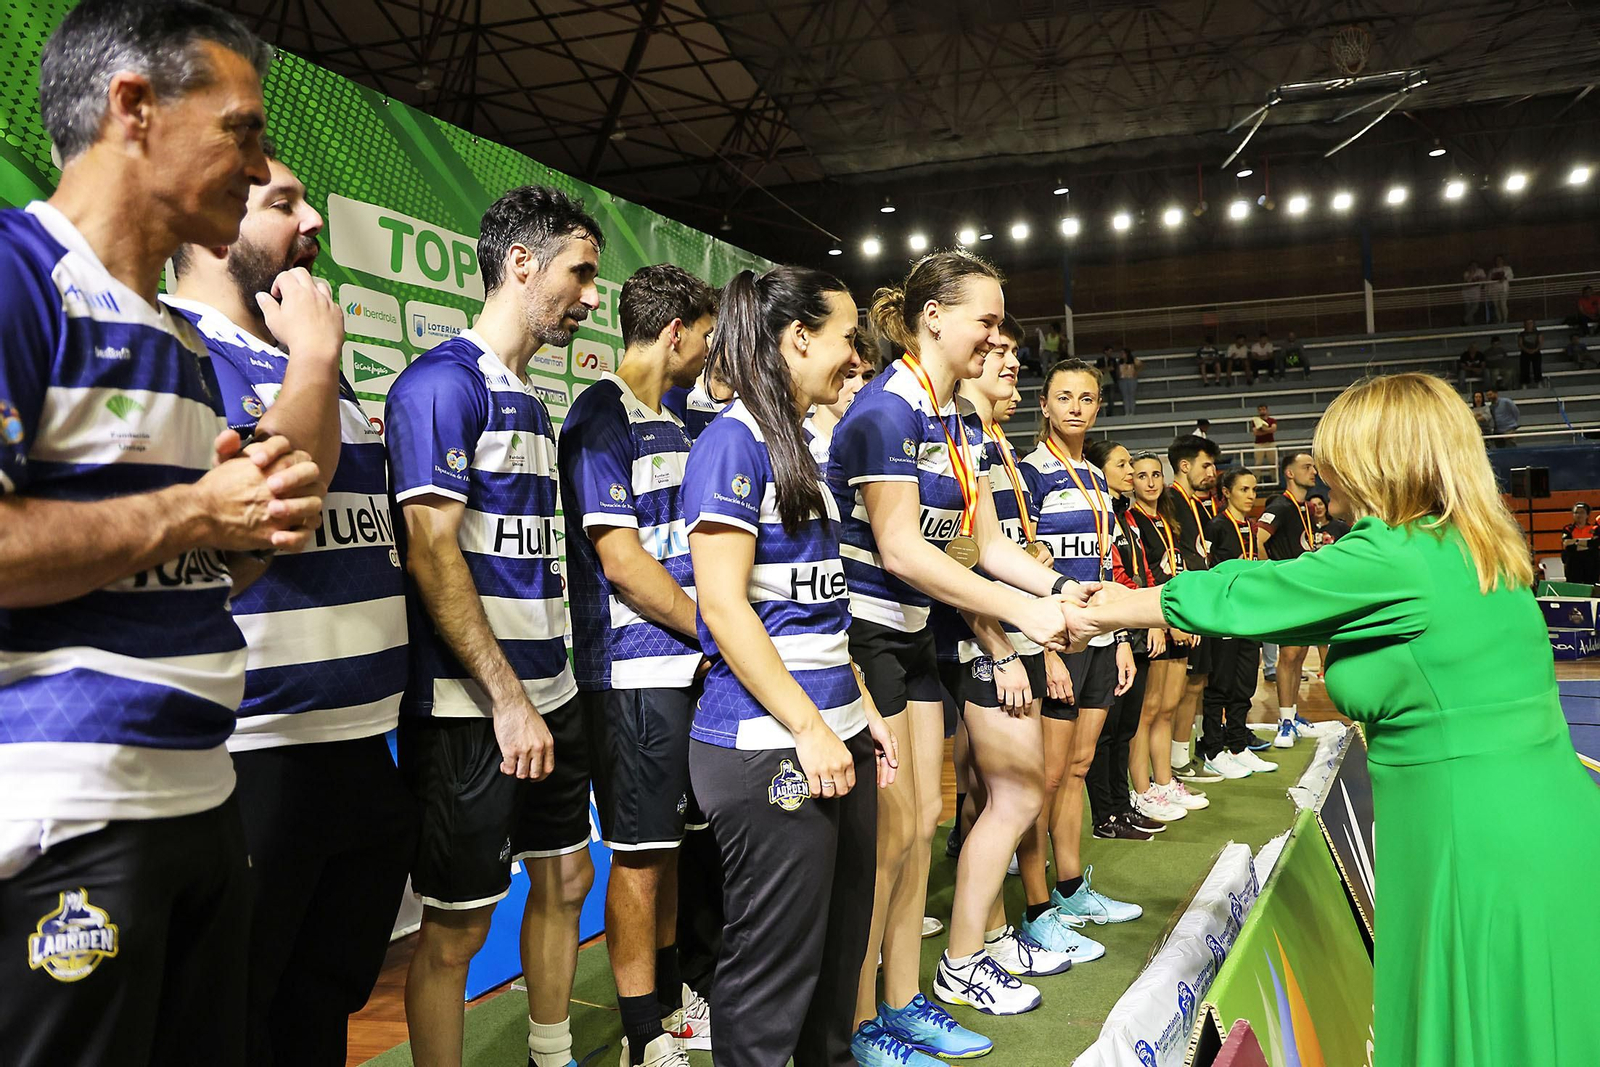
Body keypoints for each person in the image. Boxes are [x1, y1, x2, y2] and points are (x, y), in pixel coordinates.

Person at [1069, 372, 1600, 1067]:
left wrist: (1116, 605)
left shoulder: (1398, 552)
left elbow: (1259, 588)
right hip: (1523, 830)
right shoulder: (1471, 544)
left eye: (1333, 459)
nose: (1324, 480)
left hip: (1476, 847)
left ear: (1378, 461)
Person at [0, 5, 327, 1066]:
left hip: (200, 796)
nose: (260, 164)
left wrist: (248, 523)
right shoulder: (15, 275)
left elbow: (185, 564)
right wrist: (197, 507)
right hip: (71, 819)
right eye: (240, 129)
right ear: (132, 108)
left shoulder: (181, 339)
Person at [167, 142, 415, 1067]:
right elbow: (274, 516)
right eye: (282, 203)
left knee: (321, 1001)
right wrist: (314, 352)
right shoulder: (181, 342)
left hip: (359, 743)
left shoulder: (311, 358)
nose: (312, 224)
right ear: (216, 221)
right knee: (236, 1015)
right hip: (255, 750)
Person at [825, 251, 1085, 1064]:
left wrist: (1061, 590)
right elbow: (901, 548)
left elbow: (986, 542)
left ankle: (903, 1003)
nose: (996, 336)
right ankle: (859, 1022)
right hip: (865, 633)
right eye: (987, 320)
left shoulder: (956, 420)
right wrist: (1026, 614)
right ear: (932, 316)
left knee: (919, 827)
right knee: (887, 841)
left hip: (911, 637)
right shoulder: (884, 411)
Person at [387, 186, 602, 1067]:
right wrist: (508, 700)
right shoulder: (442, 383)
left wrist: (547, 694)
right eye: (580, 272)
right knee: (458, 927)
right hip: (472, 710)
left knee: (567, 876)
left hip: (549, 693)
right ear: (522, 264)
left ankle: (550, 1055)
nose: (592, 296)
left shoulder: (534, 399)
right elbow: (432, 553)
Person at [682, 264, 899, 1067]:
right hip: (768, 742)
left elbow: (817, 604)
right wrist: (810, 725)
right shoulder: (730, 441)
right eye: (847, 337)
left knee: (836, 965)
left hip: (832, 731)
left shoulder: (806, 442)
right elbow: (725, 606)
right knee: (774, 975)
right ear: (798, 337)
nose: (857, 354)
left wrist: (861, 704)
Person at [558, 263, 719, 1067]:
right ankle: (641, 1035)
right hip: (631, 673)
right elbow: (621, 561)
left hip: (687, 668)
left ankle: (669, 998)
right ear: (674, 332)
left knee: (677, 846)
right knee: (640, 852)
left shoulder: (682, 414)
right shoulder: (598, 415)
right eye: (705, 334)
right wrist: (715, 632)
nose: (708, 351)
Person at [932, 316, 1076, 1020]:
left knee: (1010, 797)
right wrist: (994, 640)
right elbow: (958, 556)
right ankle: (965, 958)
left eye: (1014, 351)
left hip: (1006, 639)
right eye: (996, 350)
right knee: (1010, 798)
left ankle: (988, 939)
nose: (1011, 361)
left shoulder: (989, 440)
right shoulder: (960, 433)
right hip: (981, 644)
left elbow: (992, 550)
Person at [1017, 359, 1143, 955]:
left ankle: (1070, 887)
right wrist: (1049, 653)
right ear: (1043, 405)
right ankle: (1035, 907)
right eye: (1063, 397)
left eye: (1087, 398)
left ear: (1098, 408)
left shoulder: (1097, 478)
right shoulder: (1028, 474)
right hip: (1056, 645)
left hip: (1097, 641)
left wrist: (1118, 638)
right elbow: (1023, 574)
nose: (1075, 407)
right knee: (1042, 779)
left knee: (1078, 767)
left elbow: (1105, 570)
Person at [1083, 439, 1170, 836]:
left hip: (1134, 625)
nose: (1131, 471)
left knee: (1126, 727)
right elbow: (1111, 574)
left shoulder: (1128, 516)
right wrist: (1141, 611)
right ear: (1099, 470)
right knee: (1108, 728)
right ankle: (1105, 815)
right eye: (1122, 465)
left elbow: (1144, 572)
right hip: (1113, 626)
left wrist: (1154, 612)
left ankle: (1122, 805)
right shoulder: (1102, 514)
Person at [1125, 453, 1208, 821]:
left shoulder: (1167, 519)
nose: (1150, 482)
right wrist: (1164, 619)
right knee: (1149, 710)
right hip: (1156, 619)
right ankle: (1141, 789)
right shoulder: (1133, 521)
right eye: (1141, 476)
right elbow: (1143, 577)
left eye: (1156, 474)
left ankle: (1163, 780)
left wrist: (1187, 618)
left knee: (1169, 707)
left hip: (1177, 618)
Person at [1256, 451, 1335, 749]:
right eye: (1306, 467)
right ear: (1289, 473)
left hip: (1302, 591)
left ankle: (1292, 714)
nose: (1313, 471)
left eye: (1313, 466)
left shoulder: (1303, 508)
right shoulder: (1280, 506)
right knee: (1288, 657)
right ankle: (1284, 721)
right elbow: (1258, 540)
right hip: (1288, 592)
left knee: (1298, 655)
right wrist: (1272, 576)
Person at [1162, 435, 1225, 784]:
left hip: (1203, 601)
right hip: (1184, 604)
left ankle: (1186, 751)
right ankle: (1176, 758)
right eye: (1206, 465)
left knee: (1198, 682)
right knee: (1182, 687)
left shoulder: (1199, 504)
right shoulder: (1170, 500)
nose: (1212, 472)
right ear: (1184, 466)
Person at [1560, 503, 1599, 586]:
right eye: (1576, 512)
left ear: (1587, 515)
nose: (1578, 515)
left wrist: (1576, 541)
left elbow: (1595, 545)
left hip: (1591, 563)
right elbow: (1568, 546)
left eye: (1582, 512)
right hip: (1573, 564)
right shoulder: (1568, 529)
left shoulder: (1594, 529)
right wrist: (1587, 544)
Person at [1250, 404, 1278, 475]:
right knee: (1258, 463)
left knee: (1273, 463)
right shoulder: (1255, 421)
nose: (1262, 411)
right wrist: (1268, 430)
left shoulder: (1272, 420)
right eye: (1260, 410)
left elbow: (1273, 429)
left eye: (1263, 409)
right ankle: (1257, 480)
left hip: (1270, 443)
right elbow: (1256, 433)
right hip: (1259, 444)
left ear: (1267, 410)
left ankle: (1274, 480)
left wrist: (1262, 430)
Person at [1114, 347, 1142, 415]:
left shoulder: (1133, 360)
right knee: (1125, 396)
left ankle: (1132, 411)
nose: (1121, 355)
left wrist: (1136, 373)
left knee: (1131, 396)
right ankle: (1127, 412)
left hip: (1131, 379)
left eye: (1123, 353)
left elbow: (1140, 365)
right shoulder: (1119, 362)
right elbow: (1117, 370)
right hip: (1122, 379)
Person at [1488, 254, 1514, 324]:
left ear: (1502, 260)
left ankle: (1505, 319)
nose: (1498, 261)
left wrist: (1505, 278)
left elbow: (1511, 277)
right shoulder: (1492, 270)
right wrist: (1489, 292)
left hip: (1503, 289)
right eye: (1497, 260)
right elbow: (1489, 281)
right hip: (1494, 290)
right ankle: (1499, 320)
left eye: (1500, 260)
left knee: (1503, 304)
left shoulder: (1507, 268)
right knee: (1496, 305)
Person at [1517, 318, 1543, 388]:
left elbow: (1540, 343)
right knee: (1524, 368)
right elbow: (1520, 344)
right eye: (1527, 323)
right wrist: (1527, 350)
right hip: (1525, 352)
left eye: (1531, 323)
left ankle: (1539, 382)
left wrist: (1535, 350)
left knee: (1537, 367)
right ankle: (1524, 383)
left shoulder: (1538, 333)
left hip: (1536, 352)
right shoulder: (1522, 334)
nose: (1529, 325)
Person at [1461, 260, 1487, 325]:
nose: (1474, 267)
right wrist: (1471, 273)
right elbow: (1467, 283)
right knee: (1468, 309)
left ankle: (1465, 320)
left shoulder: (1480, 271)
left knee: (1475, 307)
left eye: (1475, 265)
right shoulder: (1466, 273)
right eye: (1472, 265)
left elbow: (1484, 280)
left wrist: (1476, 281)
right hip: (1467, 293)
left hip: (1476, 293)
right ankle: (1471, 325)